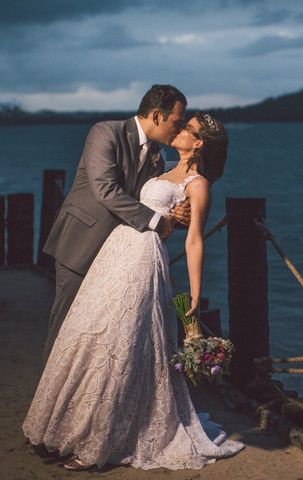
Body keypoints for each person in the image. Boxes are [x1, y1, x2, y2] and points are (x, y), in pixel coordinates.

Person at [23, 112, 245, 470]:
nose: (179, 130)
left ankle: (98, 441)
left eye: (187, 129)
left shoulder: (198, 184)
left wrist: (194, 294)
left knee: (121, 343)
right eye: (181, 123)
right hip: (115, 251)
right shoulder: (160, 164)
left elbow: (194, 242)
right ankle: (68, 431)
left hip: (144, 258)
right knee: (91, 334)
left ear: (199, 143)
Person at [41, 84, 191, 366]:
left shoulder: (158, 158)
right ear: (157, 116)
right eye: (177, 121)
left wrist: (177, 215)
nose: (179, 127)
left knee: (96, 335)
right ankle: (47, 403)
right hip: (80, 246)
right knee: (64, 329)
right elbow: (104, 190)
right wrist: (159, 221)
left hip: (116, 259)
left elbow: (148, 201)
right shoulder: (105, 132)